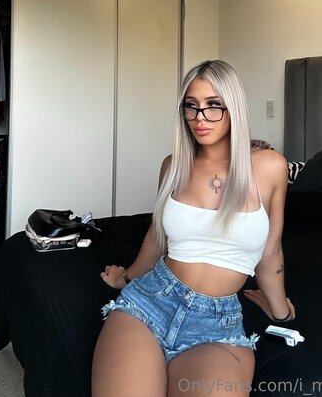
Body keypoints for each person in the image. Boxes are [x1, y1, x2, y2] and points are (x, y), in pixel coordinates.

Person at [92, 60, 295, 397]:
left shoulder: (270, 167)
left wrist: (280, 310)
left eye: (213, 105)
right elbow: (157, 236)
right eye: (191, 106)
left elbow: (270, 252)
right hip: (150, 302)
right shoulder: (173, 166)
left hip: (217, 325)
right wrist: (126, 277)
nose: (200, 117)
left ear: (234, 108)